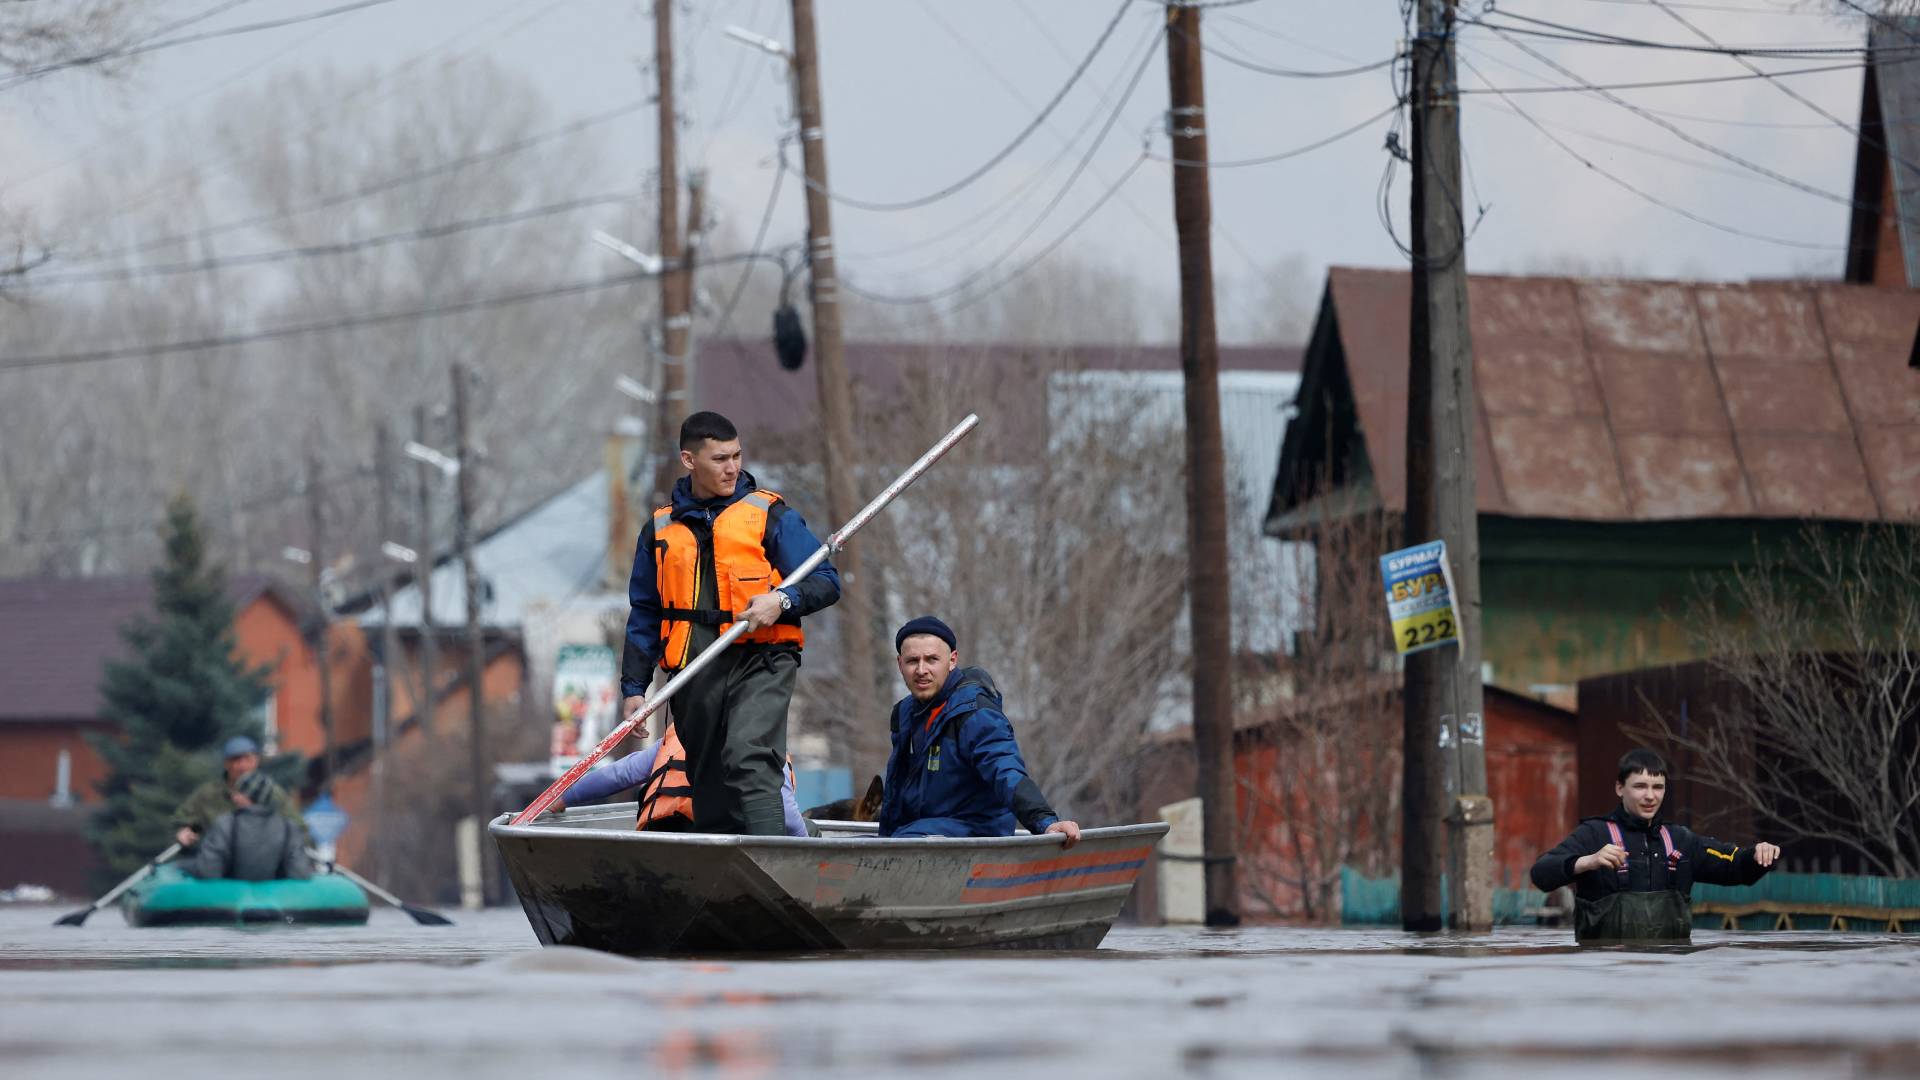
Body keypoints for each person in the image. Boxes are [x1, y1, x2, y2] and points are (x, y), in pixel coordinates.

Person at [621, 411, 841, 835]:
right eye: (720, 458)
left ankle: (775, 867)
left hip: (762, 659)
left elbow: (826, 581)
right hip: (693, 668)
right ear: (689, 460)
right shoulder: (659, 529)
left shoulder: (768, 515)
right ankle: (730, 881)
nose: (733, 467)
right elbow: (645, 610)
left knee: (748, 755)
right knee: (708, 779)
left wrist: (782, 600)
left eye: (737, 456)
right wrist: (634, 687)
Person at [1531, 747, 1780, 942]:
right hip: (1607, 979)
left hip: (1669, 975)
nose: (1650, 796)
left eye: (1658, 787)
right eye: (1640, 786)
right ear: (1620, 788)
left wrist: (1758, 856)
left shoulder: (1681, 840)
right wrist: (1588, 861)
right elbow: (1541, 874)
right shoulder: (1593, 834)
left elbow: (1735, 867)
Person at [877, 616, 1082, 846]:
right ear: (899, 664)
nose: (921, 670)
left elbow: (1005, 770)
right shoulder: (904, 712)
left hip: (975, 831)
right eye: (912, 661)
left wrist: (1044, 821)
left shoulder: (975, 713)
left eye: (932, 659)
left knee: (902, 845)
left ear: (952, 660)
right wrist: (885, 835)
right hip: (922, 829)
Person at [546, 722, 810, 837]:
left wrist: (566, 796)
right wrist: (806, 848)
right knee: (808, 828)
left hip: (659, 832)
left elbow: (620, 774)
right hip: (714, 843)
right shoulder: (765, 746)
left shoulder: (677, 739)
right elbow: (786, 813)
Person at [172, 735, 306, 851]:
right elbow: (182, 820)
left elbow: (298, 828)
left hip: (264, 863)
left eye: (248, 759)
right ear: (226, 763)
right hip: (218, 862)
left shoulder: (274, 794)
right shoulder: (208, 794)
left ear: (256, 761)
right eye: (236, 760)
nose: (242, 766)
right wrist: (186, 830)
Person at [188, 770, 312, 881]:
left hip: (233, 902)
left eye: (238, 792)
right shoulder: (288, 828)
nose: (234, 797)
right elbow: (300, 872)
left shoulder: (225, 824)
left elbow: (208, 871)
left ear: (246, 796)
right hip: (276, 903)